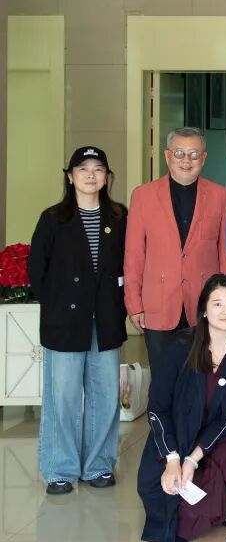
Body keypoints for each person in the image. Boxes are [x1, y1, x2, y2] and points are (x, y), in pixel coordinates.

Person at [28, 146, 128, 495]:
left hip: (106, 319)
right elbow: (36, 270)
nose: (90, 175)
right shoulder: (53, 218)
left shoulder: (119, 216)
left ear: (106, 176)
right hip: (66, 322)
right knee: (63, 397)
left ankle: (99, 465)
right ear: (70, 177)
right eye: (82, 169)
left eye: (98, 169)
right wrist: (57, 306)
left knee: (105, 396)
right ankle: (59, 468)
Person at [137, 275, 226, 542]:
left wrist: (193, 460)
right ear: (204, 310)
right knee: (175, 517)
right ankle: (210, 498)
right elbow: (157, 408)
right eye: (217, 304)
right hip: (174, 442)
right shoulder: (179, 347)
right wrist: (173, 459)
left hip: (215, 442)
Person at [125, 127, 226, 369]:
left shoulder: (220, 196)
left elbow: (225, 254)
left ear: (203, 158)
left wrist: (225, 301)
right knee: (163, 376)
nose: (186, 160)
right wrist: (134, 304)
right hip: (158, 303)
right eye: (179, 153)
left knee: (203, 374)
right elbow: (134, 255)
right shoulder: (143, 196)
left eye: (194, 154)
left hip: (205, 303)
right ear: (167, 156)